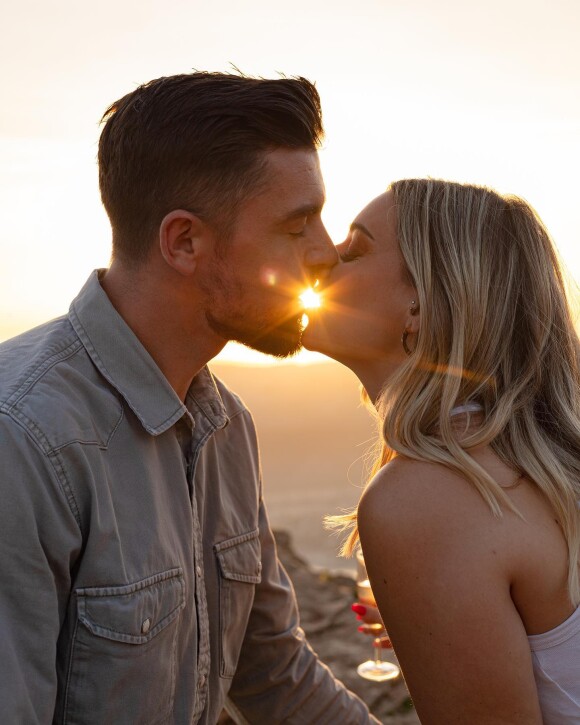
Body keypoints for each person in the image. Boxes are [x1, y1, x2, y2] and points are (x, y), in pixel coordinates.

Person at [0, 72, 380, 724]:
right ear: (184, 242)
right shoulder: (26, 439)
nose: (325, 254)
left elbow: (276, 677)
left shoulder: (226, 426)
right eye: (296, 228)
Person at [303, 179, 580, 724]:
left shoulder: (427, 496)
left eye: (354, 249)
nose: (318, 258)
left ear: (421, 306)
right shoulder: (522, 471)